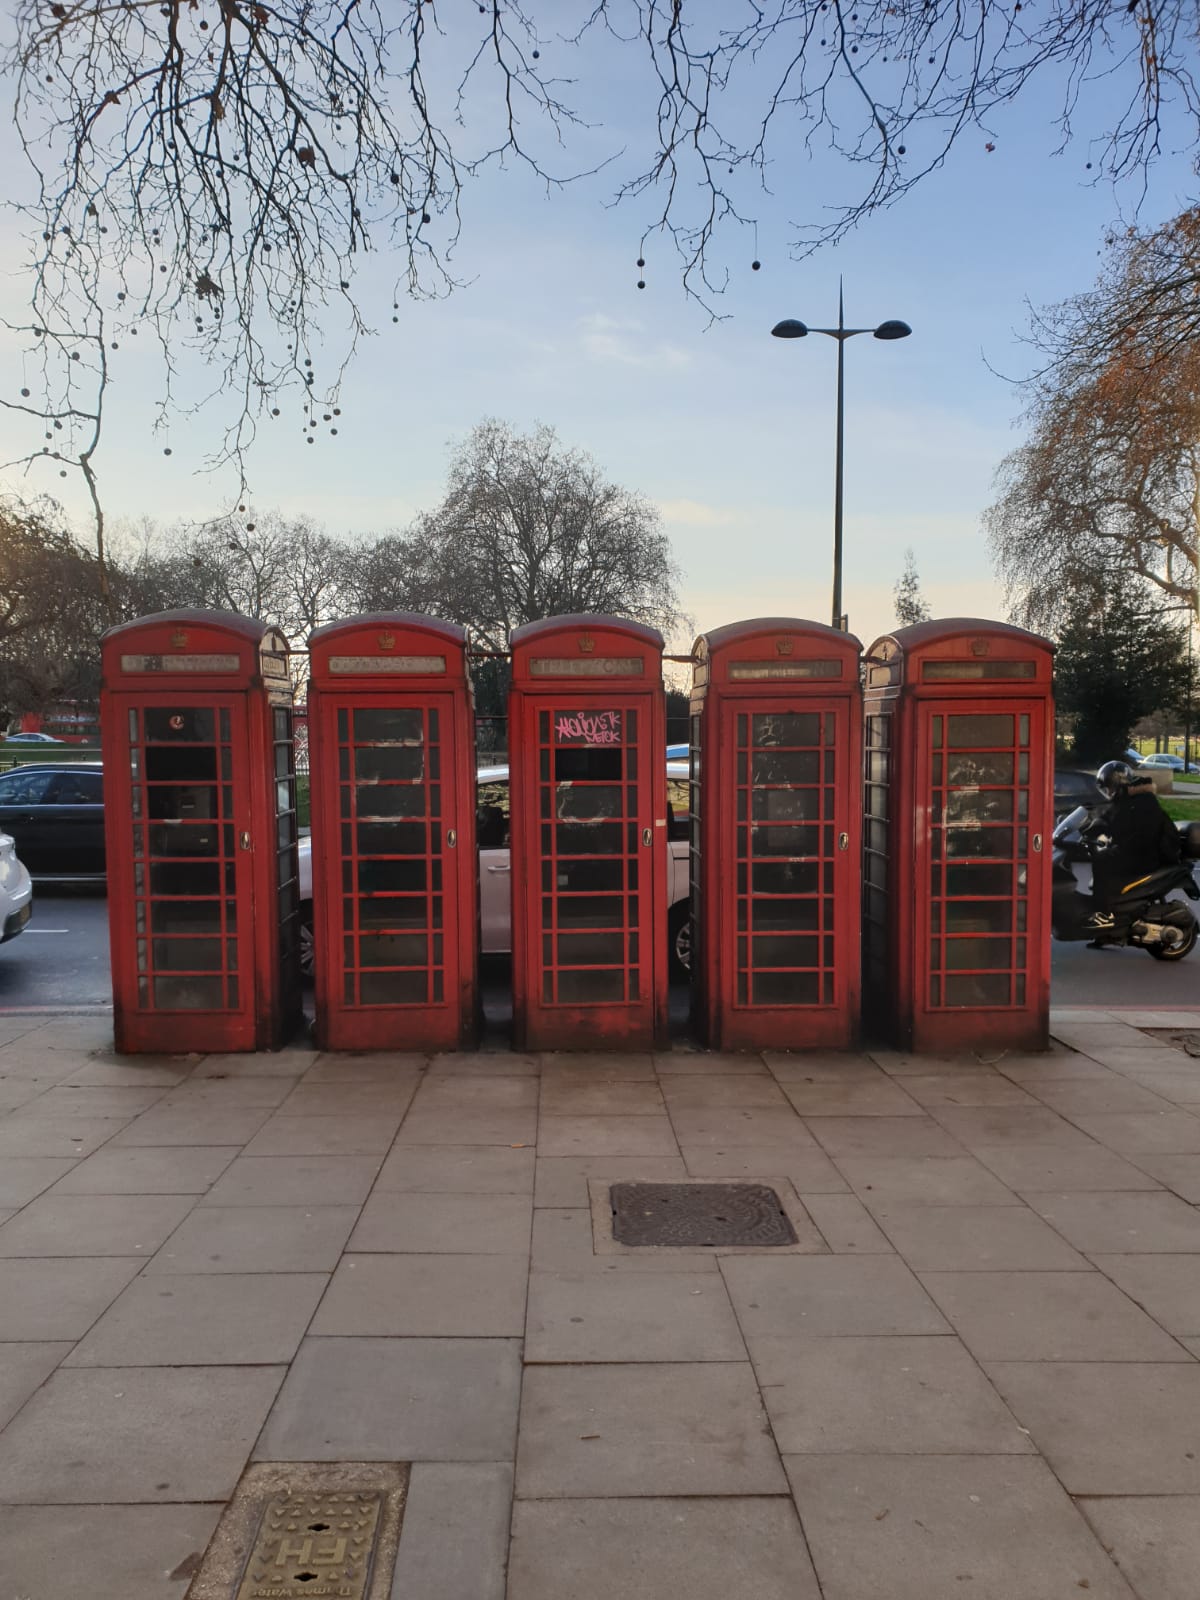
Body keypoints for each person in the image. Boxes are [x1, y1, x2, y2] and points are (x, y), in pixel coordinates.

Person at [1084, 760, 1182, 937]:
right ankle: (1111, 927)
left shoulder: (1144, 801)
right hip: (1134, 850)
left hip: (1147, 855)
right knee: (1104, 856)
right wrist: (1088, 827)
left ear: (1119, 784)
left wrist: (1111, 843)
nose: (1108, 793)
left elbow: (1132, 831)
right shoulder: (1126, 800)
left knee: (1102, 862)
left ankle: (1106, 915)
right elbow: (1107, 818)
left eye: (1110, 788)